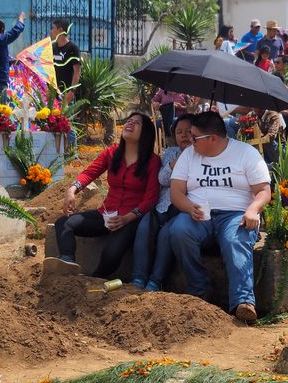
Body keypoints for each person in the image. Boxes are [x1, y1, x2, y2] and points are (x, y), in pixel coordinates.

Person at [169, 111, 271, 322]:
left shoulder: (246, 153)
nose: (190, 140)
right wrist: (189, 207)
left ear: (212, 138)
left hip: (235, 215)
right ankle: (200, 291)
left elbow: (263, 191)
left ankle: (243, 302)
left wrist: (253, 209)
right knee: (179, 231)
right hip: (198, 216)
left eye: (195, 136)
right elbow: (176, 191)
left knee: (235, 239)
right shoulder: (189, 155)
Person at [46, 113, 161, 278]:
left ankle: (95, 279)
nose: (130, 124)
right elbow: (89, 173)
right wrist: (72, 190)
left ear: (146, 133)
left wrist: (127, 218)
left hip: (130, 220)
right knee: (64, 223)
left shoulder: (152, 161)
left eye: (137, 123)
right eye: (129, 121)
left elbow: (151, 197)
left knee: (111, 253)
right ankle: (67, 260)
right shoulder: (112, 152)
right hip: (105, 215)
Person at [132, 114, 193, 291]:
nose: (184, 135)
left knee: (166, 234)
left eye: (188, 131)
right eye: (179, 132)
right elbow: (162, 179)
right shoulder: (171, 153)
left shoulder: (201, 155)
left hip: (182, 208)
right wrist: (175, 163)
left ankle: (155, 281)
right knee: (144, 228)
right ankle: (137, 278)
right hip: (162, 205)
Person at [51, 19, 81, 103]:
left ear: (60, 30)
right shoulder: (52, 47)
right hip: (52, 94)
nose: (51, 31)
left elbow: (77, 72)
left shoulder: (73, 48)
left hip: (66, 93)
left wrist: (72, 91)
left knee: (66, 116)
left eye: (53, 28)